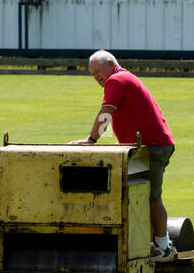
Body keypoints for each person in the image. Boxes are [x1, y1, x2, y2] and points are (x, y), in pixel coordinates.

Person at [75, 50, 178, 260]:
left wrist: (91, 140)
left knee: (151, 197)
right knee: (141, 195)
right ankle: (155, 243)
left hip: (153, 147)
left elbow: (107, 112)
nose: (96, 77)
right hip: (150, 145)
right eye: (92, 74)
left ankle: (163, 248)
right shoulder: (124, 78)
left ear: (111, 63)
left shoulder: (117, 80)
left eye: (97, 71)